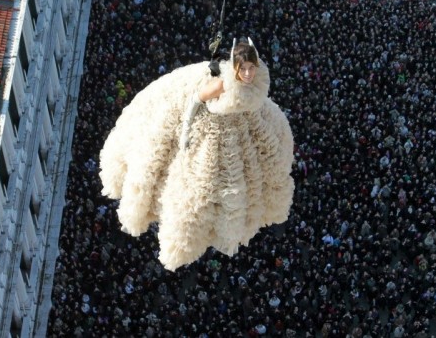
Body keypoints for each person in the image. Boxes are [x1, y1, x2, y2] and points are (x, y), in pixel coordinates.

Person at [99, 38, 295, 271]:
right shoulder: (222, 85)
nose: (248, 73)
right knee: (199, 181)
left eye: (251, 68)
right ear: (234, 68)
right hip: (209, 127)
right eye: (243, 69)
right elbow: (195, 101)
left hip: (244, 127)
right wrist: (185, 131)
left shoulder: (257, 81)